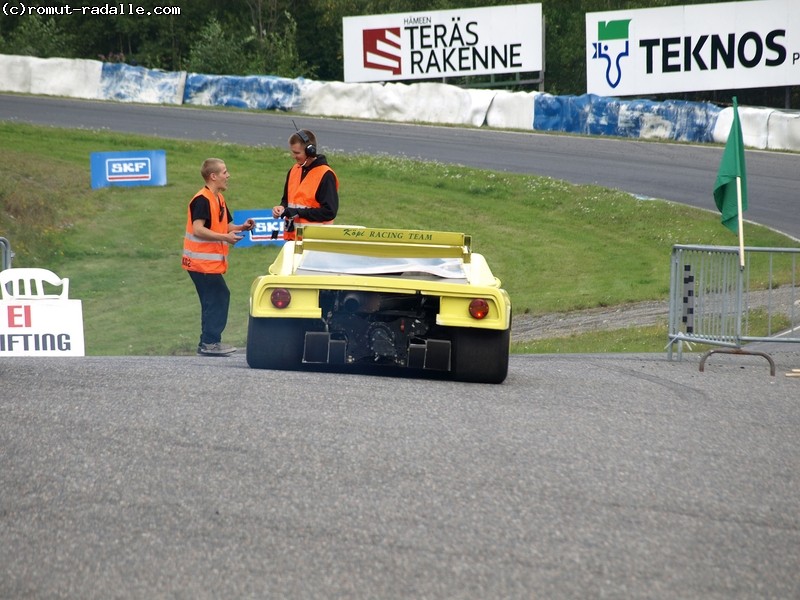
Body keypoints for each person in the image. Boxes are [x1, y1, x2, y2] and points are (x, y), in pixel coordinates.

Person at [182, 158, 254, 356]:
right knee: (219, 297)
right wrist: (225, 238)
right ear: (213, 176)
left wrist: (241, 227)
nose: (228, 175)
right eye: (224, 172)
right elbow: (198, 229)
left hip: (208, 264)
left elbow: (224, 225)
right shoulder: (202, 199)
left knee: (214, 298)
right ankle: (209, 342)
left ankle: (207, 342)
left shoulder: (218, 198)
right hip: (200, 263)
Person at [272, 128, 339, 240]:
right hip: (292, 239)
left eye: (297, 153)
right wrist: (282, 207)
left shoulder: (325, 175)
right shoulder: (294, 170)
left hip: (315, 241)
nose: (293, 156)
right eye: (292, 152)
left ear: (310, 152)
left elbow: (329, 212)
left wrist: (297, 212)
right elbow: (286, 200)